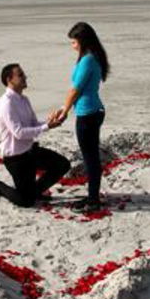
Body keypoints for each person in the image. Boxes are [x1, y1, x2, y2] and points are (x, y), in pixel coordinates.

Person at [0, 63, 71, 208]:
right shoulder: (6, 103)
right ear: (9, 79)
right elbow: (19, 133)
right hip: (15, 159)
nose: (25, 77)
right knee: (26, 202)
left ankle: (34, 192)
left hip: (30, 152)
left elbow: (33, 123)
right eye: (20, 75)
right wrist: (46, 126)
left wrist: (50, 122)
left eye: (24, 74)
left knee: (62, 165)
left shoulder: (24, 99)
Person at [57, 22, 109, 212]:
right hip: (92, 111)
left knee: (91, 159)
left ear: (83, 41)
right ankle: (92, 196)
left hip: (88, 114)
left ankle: (93, 200)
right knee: (91, 157)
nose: (72, 46)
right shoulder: (89, 57)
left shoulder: (88, 60)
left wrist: (64, 111)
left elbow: (75, 90)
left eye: (74, 42)